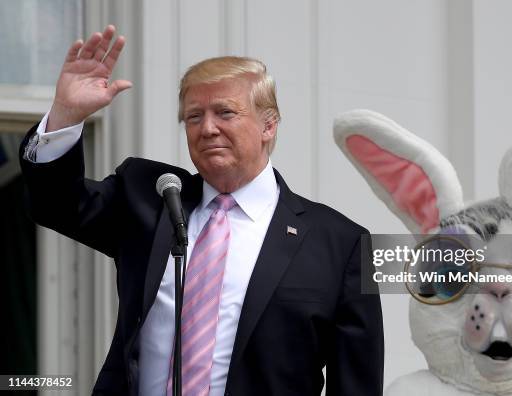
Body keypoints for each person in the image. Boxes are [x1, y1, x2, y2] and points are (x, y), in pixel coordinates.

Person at [19, 25, 384, 395]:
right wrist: (66, 114)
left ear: (268, 124)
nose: (207, 128)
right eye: (194, 117)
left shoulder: (340, 243)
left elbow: (356, 383)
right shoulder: (150, 197)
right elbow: (56, 206)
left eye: (225, 113)